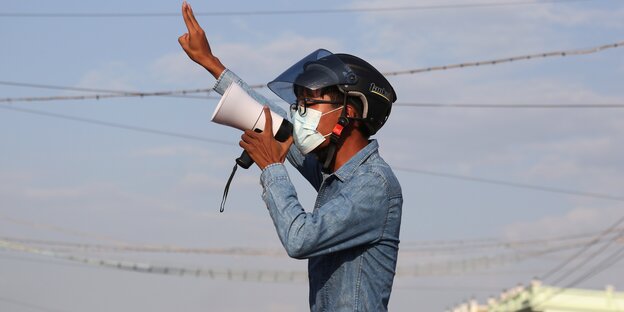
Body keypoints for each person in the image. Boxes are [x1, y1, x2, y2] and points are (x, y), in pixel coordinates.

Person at [178, 2, 402, 311]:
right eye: (298, 105)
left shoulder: (373, 184)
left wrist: (272, 166)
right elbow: (273, 120)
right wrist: (212, 64)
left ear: (348, 112)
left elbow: (301, 239)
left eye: (309, 104)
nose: (300, 116)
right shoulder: (333, 173)